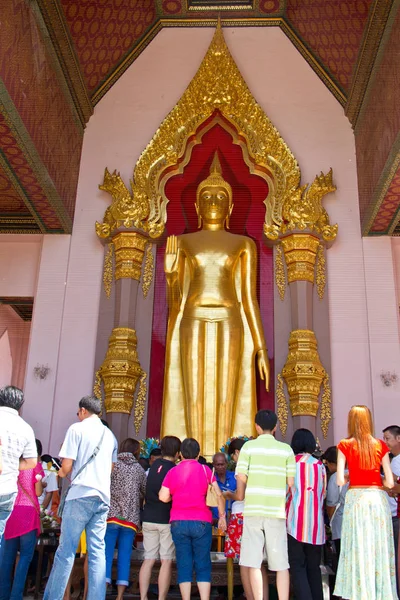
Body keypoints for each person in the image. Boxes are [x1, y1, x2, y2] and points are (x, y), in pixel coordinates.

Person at [161, 153, 270, 458]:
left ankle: (225, 454)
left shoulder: (242, 244)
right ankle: (193, 455)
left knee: (227, 394)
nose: (212, 200)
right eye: (206, 196)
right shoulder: (183, 242)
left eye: (219, 196)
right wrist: (170, 276)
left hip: (230, 319)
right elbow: (176, 303)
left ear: (230, 206)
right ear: (196, 205)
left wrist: (260, 347)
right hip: (193, 318)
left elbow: (249, 299)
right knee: (194, 391)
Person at [43, 396, 117, 600]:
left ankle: (53, 597)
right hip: (102, 496)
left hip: (80, 494)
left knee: (66, 551)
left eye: (78, 412)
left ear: (83, 411)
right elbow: (110, 469)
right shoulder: (110, 436)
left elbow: (66, 466)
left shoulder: (77, 429)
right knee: (96, 552)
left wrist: (61, 473)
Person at [334, 405, 397, 600]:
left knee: (357, 546)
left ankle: (359, 593)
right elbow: (389, 482)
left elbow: (338, 480)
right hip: (377, 499)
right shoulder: (380, 445)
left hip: (356, 500)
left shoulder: (345, 444)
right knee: (378, 546)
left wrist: (349, 476)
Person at [236, 409, 295, 600]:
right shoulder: (286, 450)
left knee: (253, 561)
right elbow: (291, 483)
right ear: (276, 427)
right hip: (276, 510)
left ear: (257, 427)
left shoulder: (248, 448)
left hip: (253, 508)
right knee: (281, 564)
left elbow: (242, 476)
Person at [159, 437, 226, 600]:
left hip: (178, 522)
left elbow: (163, 496)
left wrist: (174, 498)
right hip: (202, 522)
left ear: (180, 454)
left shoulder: (172, 471)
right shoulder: (205, 471)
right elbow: (218, 495)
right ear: (198, 454)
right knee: (203, 563)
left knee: (184, 563)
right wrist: (222, 516)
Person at [223, 438, 267, 600]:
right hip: (258, 514)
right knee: (257, 563)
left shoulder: (242, 467)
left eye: (232, 457)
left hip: (241, 515)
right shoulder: (259, 466)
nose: (233, 460)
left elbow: (240, 496)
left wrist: (228, 495)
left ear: (236, 453)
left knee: (244, 562)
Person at [0, 438, 44, 600]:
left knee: (6, 559)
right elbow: (38, 493)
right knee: (25, 557)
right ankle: (16, 596)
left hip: (11, 513)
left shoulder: (11, 464)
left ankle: (3, 595)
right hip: (28, 514)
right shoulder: (35, 466)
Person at [286, 429, 326, 600]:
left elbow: (285, 493)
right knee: (314, 568)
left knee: (297, 566)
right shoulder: (320, 466)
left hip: (295, 524)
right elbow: (323, 494)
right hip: (315, 525)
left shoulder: (290, 464)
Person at [139, 436, 181, 600]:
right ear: (178, 453)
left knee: (148, 559)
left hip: (148, 517)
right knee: (166, 561)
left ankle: (143, 597)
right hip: (165, 519)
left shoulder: (154, 465)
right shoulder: (174, 469)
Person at [105, 438, 146, 600]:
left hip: (111, 516)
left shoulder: (112, 465)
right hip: (130, 518)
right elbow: (144, 492)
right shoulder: (139, 470)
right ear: (136, 451)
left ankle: (103, 590)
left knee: (106, 555)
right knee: (124, 556)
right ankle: (120, 595)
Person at [0, 386, 37, 550]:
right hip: (7, 489)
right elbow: (31, 462)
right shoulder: (26, 428)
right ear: (20, 404)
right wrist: (12, 463)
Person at [321, 446, 349, 559]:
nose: (328, 467)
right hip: (356, 521)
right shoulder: (356, 472)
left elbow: (331, 504)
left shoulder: (335, 477)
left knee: (342, 557)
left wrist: (330, 522)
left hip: (341, 523)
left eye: (328, 464)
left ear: (334, 462)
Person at [383, 424, 400, 593]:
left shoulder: (396, 461)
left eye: (388, 438)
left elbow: (394, 486)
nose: (385, 442)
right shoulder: (393, 460)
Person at [211, 452, 236, 521]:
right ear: (213, 465)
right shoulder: (210, 480)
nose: (220, 467)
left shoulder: (234, 477)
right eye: (217, 465)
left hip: (233, 521)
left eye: (222, 464)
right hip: (215, 521)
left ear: (226, 463)